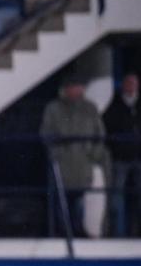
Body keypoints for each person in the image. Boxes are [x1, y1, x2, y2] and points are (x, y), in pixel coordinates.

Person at [40, 74, 110, 238]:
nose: (78, 90)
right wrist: (56, 154)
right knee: (61, 199)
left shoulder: (89, 108)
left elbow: (99, 133)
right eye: (75, 86)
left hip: (82, 163)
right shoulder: (53, 108)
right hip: (62, 163)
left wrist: (92, 153)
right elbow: (45, 132)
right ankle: (62, 231)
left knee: (80, 199)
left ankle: (77, 230)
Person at [104, 73, 141, 237]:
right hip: (121, 158)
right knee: (116, 195)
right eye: (129, 83)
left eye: (134, 83)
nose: (131, 86)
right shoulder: (114, 105)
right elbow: (108, 128)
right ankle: (113, 230)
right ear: (123, 85)